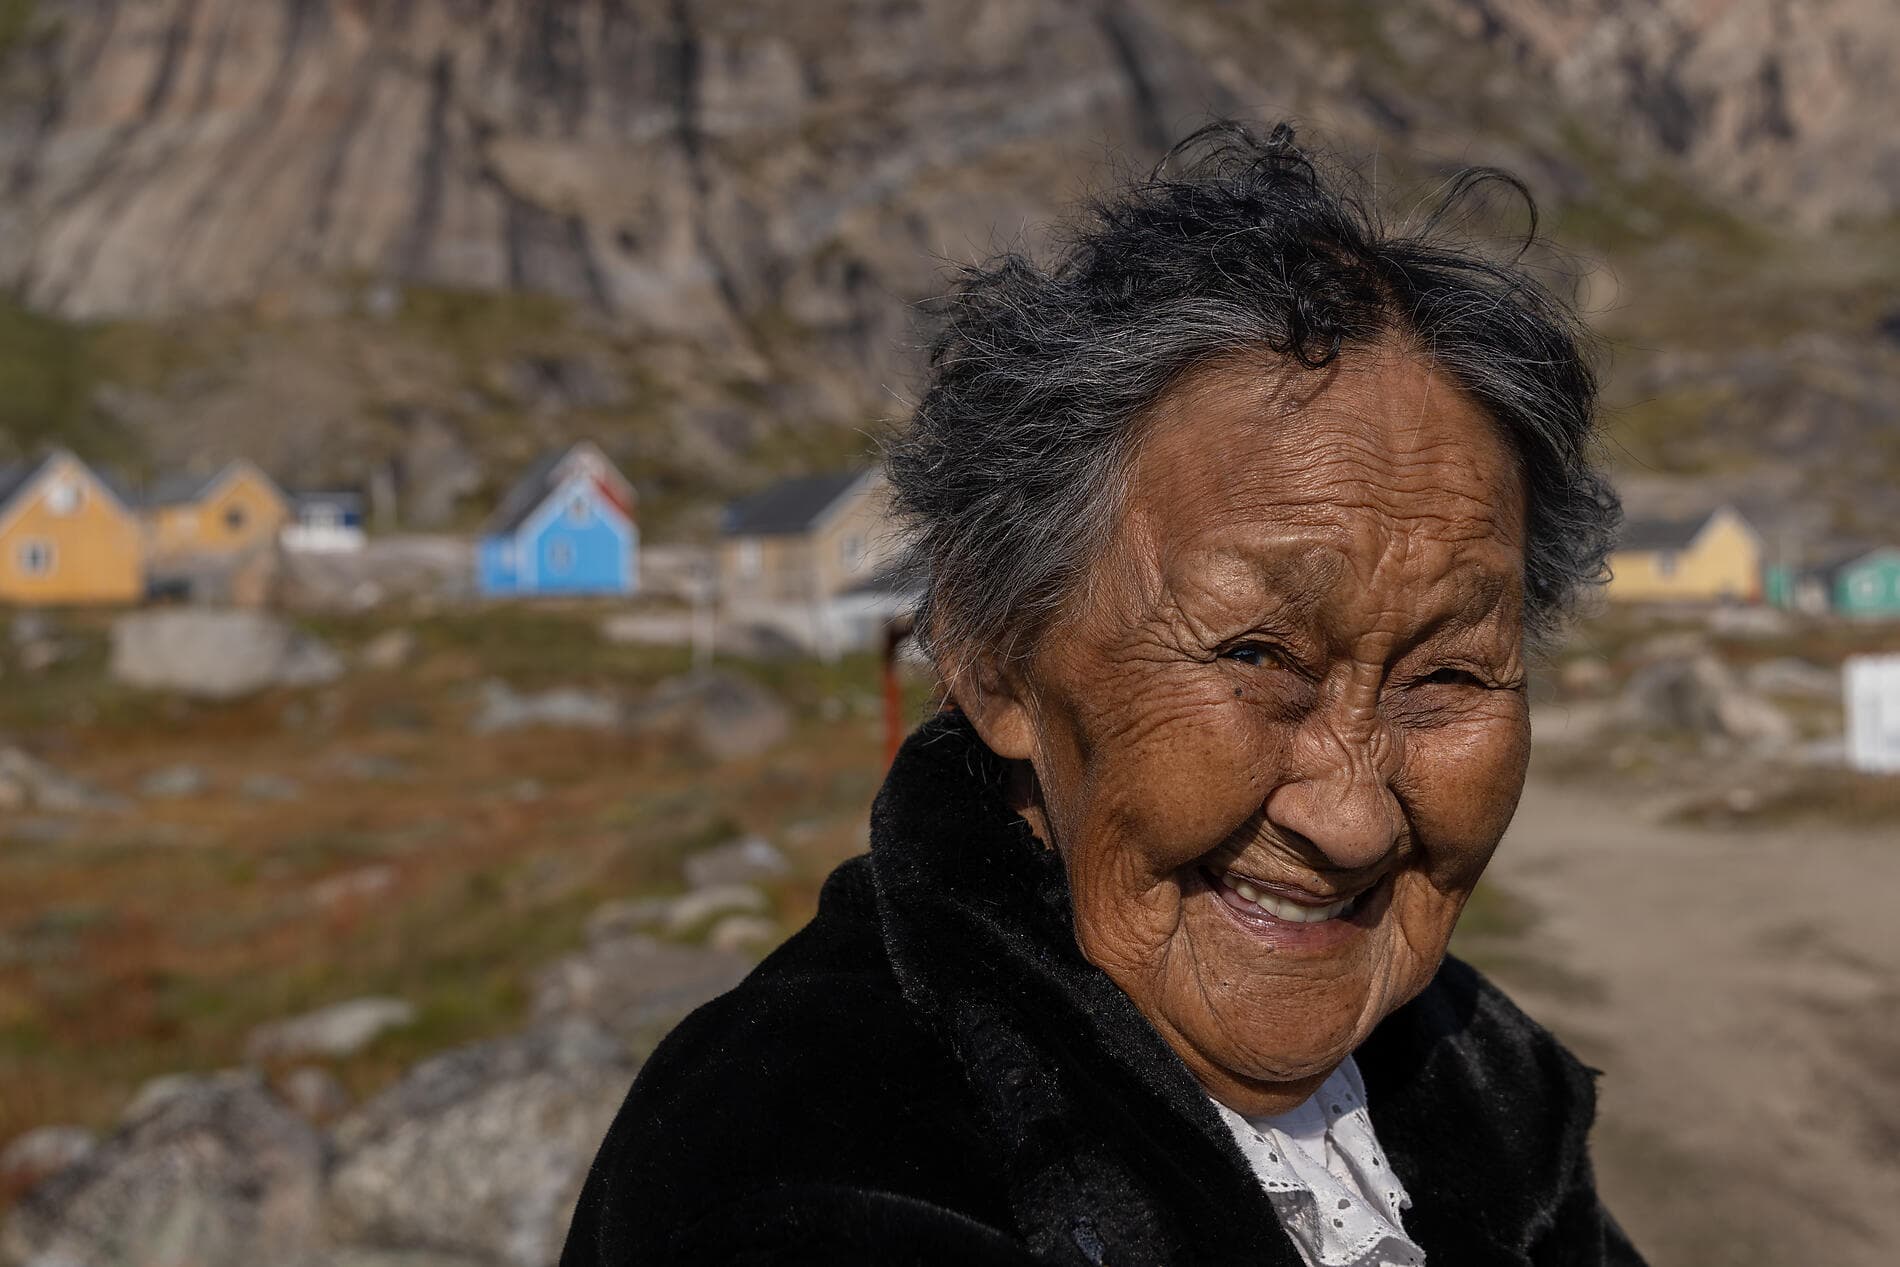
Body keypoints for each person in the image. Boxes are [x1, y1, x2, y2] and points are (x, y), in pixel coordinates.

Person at [562, 121, 1642, 1266]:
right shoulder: (799, 1151)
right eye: (1256, 656)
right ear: (993, 651)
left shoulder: (1475, 1083)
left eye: (1448, 675)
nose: (1353, 812)